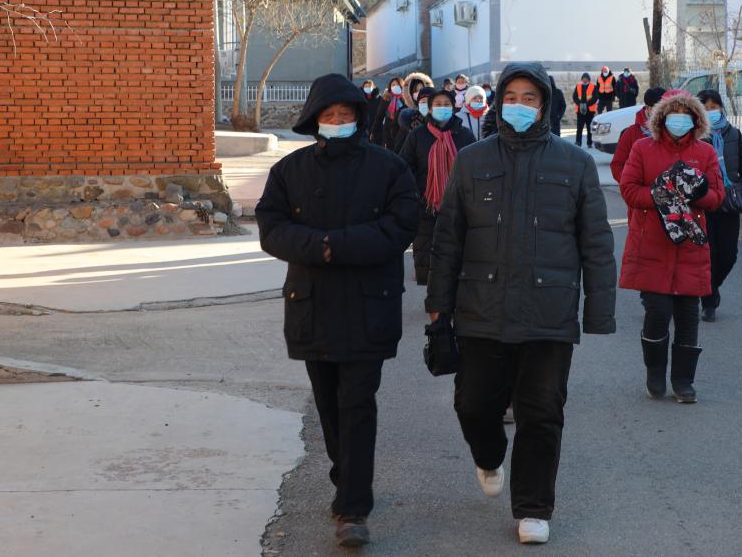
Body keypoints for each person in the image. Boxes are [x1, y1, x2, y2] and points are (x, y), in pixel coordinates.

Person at [427, 62, 616, 546]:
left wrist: (598, 311)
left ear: (546, 105)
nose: (519, 106)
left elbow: (595, 242)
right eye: (511, 96)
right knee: (473, 403)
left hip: (548, 313)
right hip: (480, 308)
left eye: (530, 98)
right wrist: (438, 308)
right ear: (498, 102)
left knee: (542, 410)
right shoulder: (472, 161)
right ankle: (489, 456)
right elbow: (448, 239)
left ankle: (533, 506)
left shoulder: (573, 163)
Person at [256, 73, 420, 549]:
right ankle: (345, 478)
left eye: (345, 115)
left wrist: (339, 245)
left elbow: (402, 225)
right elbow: (271, 226)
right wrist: (317, 247)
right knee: (328, 404)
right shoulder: (291, 171)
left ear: (359, 118)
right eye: (329, 116)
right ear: (314, 120)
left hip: (370, 304)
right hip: (312, 304)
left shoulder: (389, 168)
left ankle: (353, 507)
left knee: (358, 403)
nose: (337, 122)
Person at [619, 90, 723, 403]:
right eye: (673, 112)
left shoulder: (704, 152)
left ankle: (683, 380)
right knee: (657, 312)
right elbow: (629, 189)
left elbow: (717, 196)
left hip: (690, 246)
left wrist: (694, 194)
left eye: (686, 113)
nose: (679, 118)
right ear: (661, 118)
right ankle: (655, 369)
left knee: (689, 316)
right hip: (651, 242)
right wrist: (664, 196)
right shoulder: (642, 148)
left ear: (695, 119)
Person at [696, 89, 742, 322]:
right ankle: (708, 299)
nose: (711, 111)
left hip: (729, 202)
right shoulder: (693, 136)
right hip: (702, 204)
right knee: (709, 254)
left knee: (729, 255)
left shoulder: (733, 134)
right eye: (705, 106)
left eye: (714, 106)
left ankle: (711, 287)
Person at [399, 88, 475, 286]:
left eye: (446, 104)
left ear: (454, 107)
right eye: (438, 105)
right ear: (430, 109)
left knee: (456, 257)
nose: (442, 108)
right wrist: (416, 194)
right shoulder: (418, 135)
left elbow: (474, 169)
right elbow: (405, 166)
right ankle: (434, 305)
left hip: (457, 206)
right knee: (428, 260)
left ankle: (452, 302)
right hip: (426, 206)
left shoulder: (464, 135)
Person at [609, 87, 665, 184]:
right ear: (648, 108)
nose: (663, 113)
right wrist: (631, 185)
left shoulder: (673, 131)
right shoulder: (631, 133)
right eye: (659, 109)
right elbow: (617, 165)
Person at [392, 72, 434, 152]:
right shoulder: (404, 113)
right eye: (416, 90)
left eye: (421, 89)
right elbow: (396, 133)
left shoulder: (436, 114)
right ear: (410, 92)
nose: (418, 93)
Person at [370, 77, 402, 147]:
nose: (395, 86)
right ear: (390, 87)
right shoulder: (386, 99)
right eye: (393, 85)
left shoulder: (406, 99)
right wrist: (373, 131)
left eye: (397, 84)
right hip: (388, 131)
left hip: (402, 131)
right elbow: (379, 116)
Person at [572, 73, 598, 148]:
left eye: (586, 78)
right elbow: (575, 97)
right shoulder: (578, 86)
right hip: (580, 110)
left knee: (589, 127)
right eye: (583, 78)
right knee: (579, 127)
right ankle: (578, 142)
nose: (584, 80)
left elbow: (595, 98)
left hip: (590, 110)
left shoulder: (593, 86)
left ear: (589, 79)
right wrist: (580, 104)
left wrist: (587, 104)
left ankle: (589, 143)